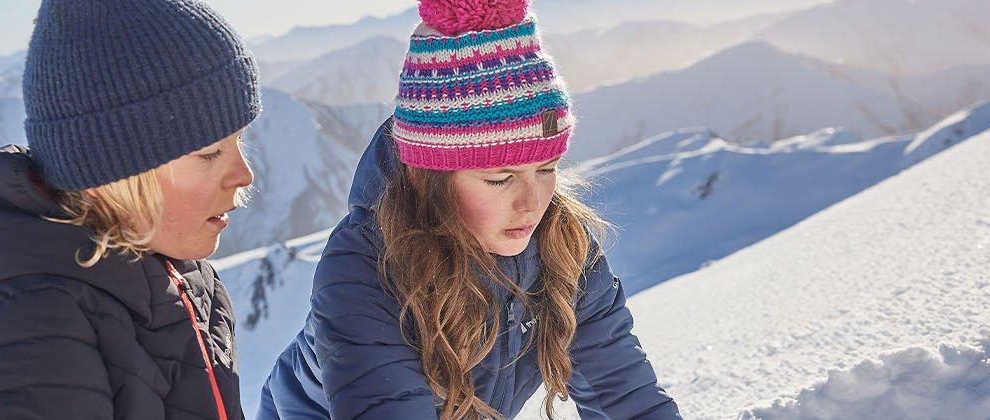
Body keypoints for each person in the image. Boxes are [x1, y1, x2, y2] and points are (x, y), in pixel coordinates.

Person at [257, 0, 680, 418]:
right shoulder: (366, 270)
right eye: (500, 178)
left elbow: (625, 397)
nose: (532, 204)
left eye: (547, 169)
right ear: (426, 179)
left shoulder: (561, 243)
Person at [0, 0, 260, 418]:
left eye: (239, 142)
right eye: (209, 153)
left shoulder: (181, 278)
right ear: (108, 171)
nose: (244, 174)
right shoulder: (34, 332)